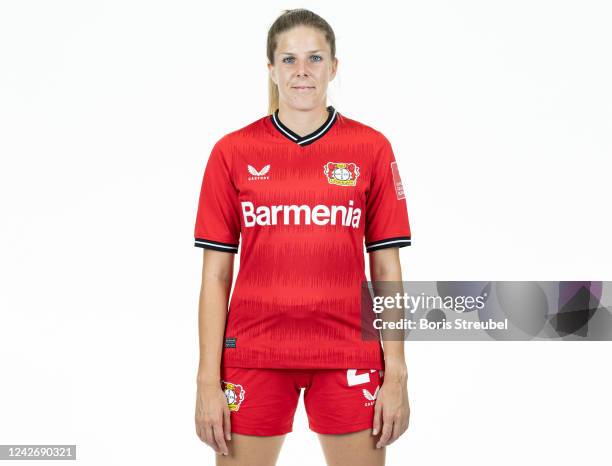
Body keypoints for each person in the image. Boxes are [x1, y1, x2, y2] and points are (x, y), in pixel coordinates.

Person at [194, 8, 412, 466]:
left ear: (334, 67)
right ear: (271, 69)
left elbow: (387, 267)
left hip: (348, 350)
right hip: (252, 352)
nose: (302, 71)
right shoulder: (232, 152)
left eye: (314, 58)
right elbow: (215, 276)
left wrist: (396, 374)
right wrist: (206, 381)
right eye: (289, 60)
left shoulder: (371, 148)